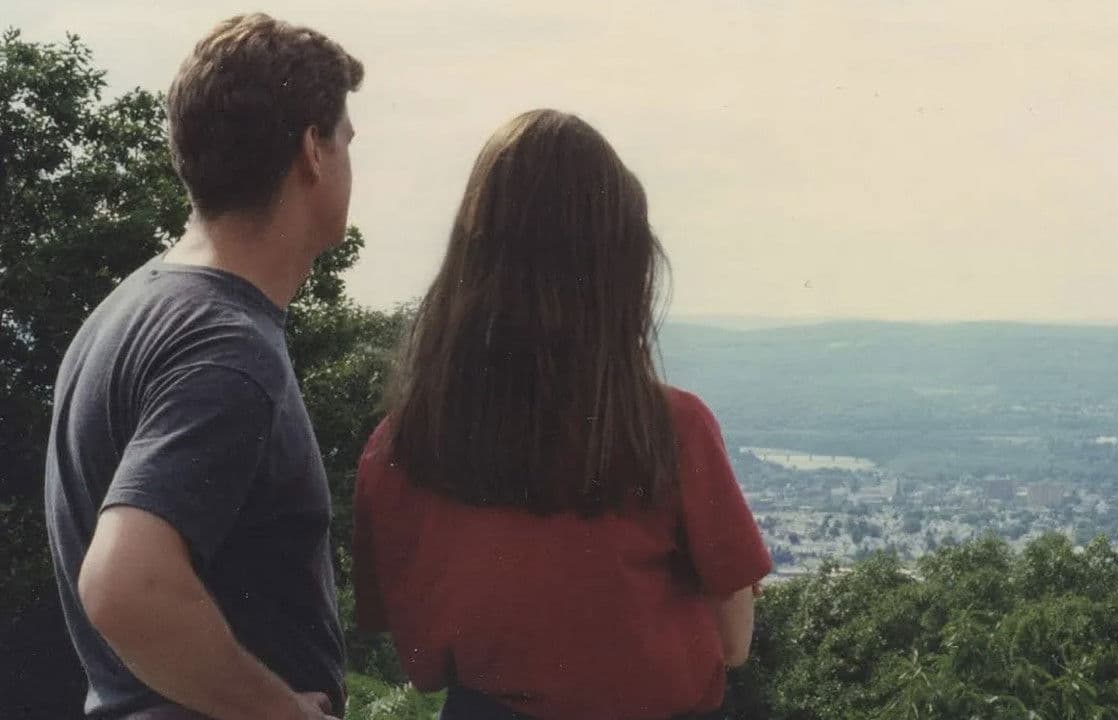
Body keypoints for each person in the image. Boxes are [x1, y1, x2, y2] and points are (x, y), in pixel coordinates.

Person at [353, 109, 772, 720]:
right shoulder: (670, 430)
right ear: (620, 273)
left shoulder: (398, 447)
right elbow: (733, 644)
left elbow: (405, 640)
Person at [43, 14, 362, 720]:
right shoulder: (226, 346)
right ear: (312, 150)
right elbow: (125, 586)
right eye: (345, 140)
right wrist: (280, 712)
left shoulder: (132, 307)